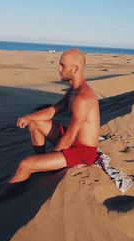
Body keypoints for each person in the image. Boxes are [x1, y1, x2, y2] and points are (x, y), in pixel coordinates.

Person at [10, 49, 100, 183]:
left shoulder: (83, 98)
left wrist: (51, 157)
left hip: (82, 152)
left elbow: (70, 137)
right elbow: (53, 110)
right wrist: (29, 117)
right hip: (71, 141)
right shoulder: (73, 91)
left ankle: (0, 198)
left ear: (75, 69)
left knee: (25, 164)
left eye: (62, 65)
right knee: (35, 122)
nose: (59, 69)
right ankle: (40, 161)